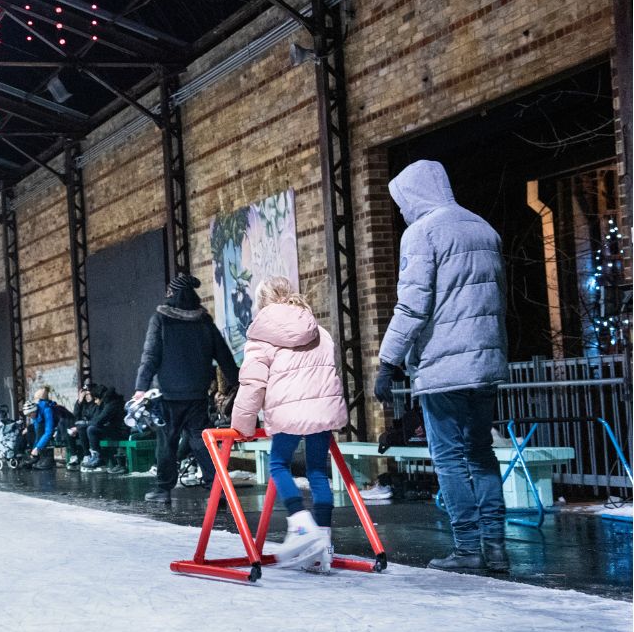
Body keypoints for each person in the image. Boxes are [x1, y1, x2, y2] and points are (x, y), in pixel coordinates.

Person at [375, 160, 509, 572]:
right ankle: (496, 547)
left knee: (450, 459)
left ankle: (467, 549)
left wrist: (388, 361)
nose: (401, 212)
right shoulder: (484, 228)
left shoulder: (422, 233)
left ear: (415, 194)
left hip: (443, 368)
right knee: (481, 454)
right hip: (485, 363)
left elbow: (414, 304)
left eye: (402, 203)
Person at [231, 277, 349, 571]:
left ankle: (300, 524)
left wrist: (243, 426)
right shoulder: (318, 330)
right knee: (318, 472)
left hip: (287, 412)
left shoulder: (261, 336)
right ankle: (323, 546)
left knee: (278, 465)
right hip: (322, 409)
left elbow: (253, 383)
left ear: (262, 303)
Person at [134, 273, 239, 504]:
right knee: (201, 441)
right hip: (197, 393)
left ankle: (163, 490)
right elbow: (224, 355)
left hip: (169, 395)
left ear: (172, 294)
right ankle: (217, 489)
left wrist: (141, 388)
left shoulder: (160, 319)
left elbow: (150, 355)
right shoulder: (204, 321)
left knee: (167, 442)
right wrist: (237, 383)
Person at [78, 384, 126, 474]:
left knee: (91, 429)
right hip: (115, 429)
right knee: (85, 428)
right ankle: (93, 456)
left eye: (96, 399)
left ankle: (98, 457)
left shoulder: (112, 404)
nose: (95, 402)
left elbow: (100, 420)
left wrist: (87, 423)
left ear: (100, 397)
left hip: (120, 431)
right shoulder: (109, 402)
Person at [64, 387, 96, 469]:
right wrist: (79, 401)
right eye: (84, 394)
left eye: (88, 394)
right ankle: (74, 456)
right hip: (81, 429)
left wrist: (78, 428)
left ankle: (87, 455)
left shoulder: (95, 403)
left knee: (81, 429)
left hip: (90, 429)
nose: (86, 396)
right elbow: (75, 416)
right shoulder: (81, 404)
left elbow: (94, 419)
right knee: (69, 430)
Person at [26, 392, 57, 471]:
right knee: (31, 430)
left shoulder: (47, 409)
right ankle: (37, 457)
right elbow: (37, 435)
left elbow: (49, 431)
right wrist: (34, 450)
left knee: (39, 429)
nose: (30, 417)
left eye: (30, 415)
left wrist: (38, 448)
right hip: (47, 427)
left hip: (59, 426)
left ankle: (47, 458)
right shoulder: (36, 413)